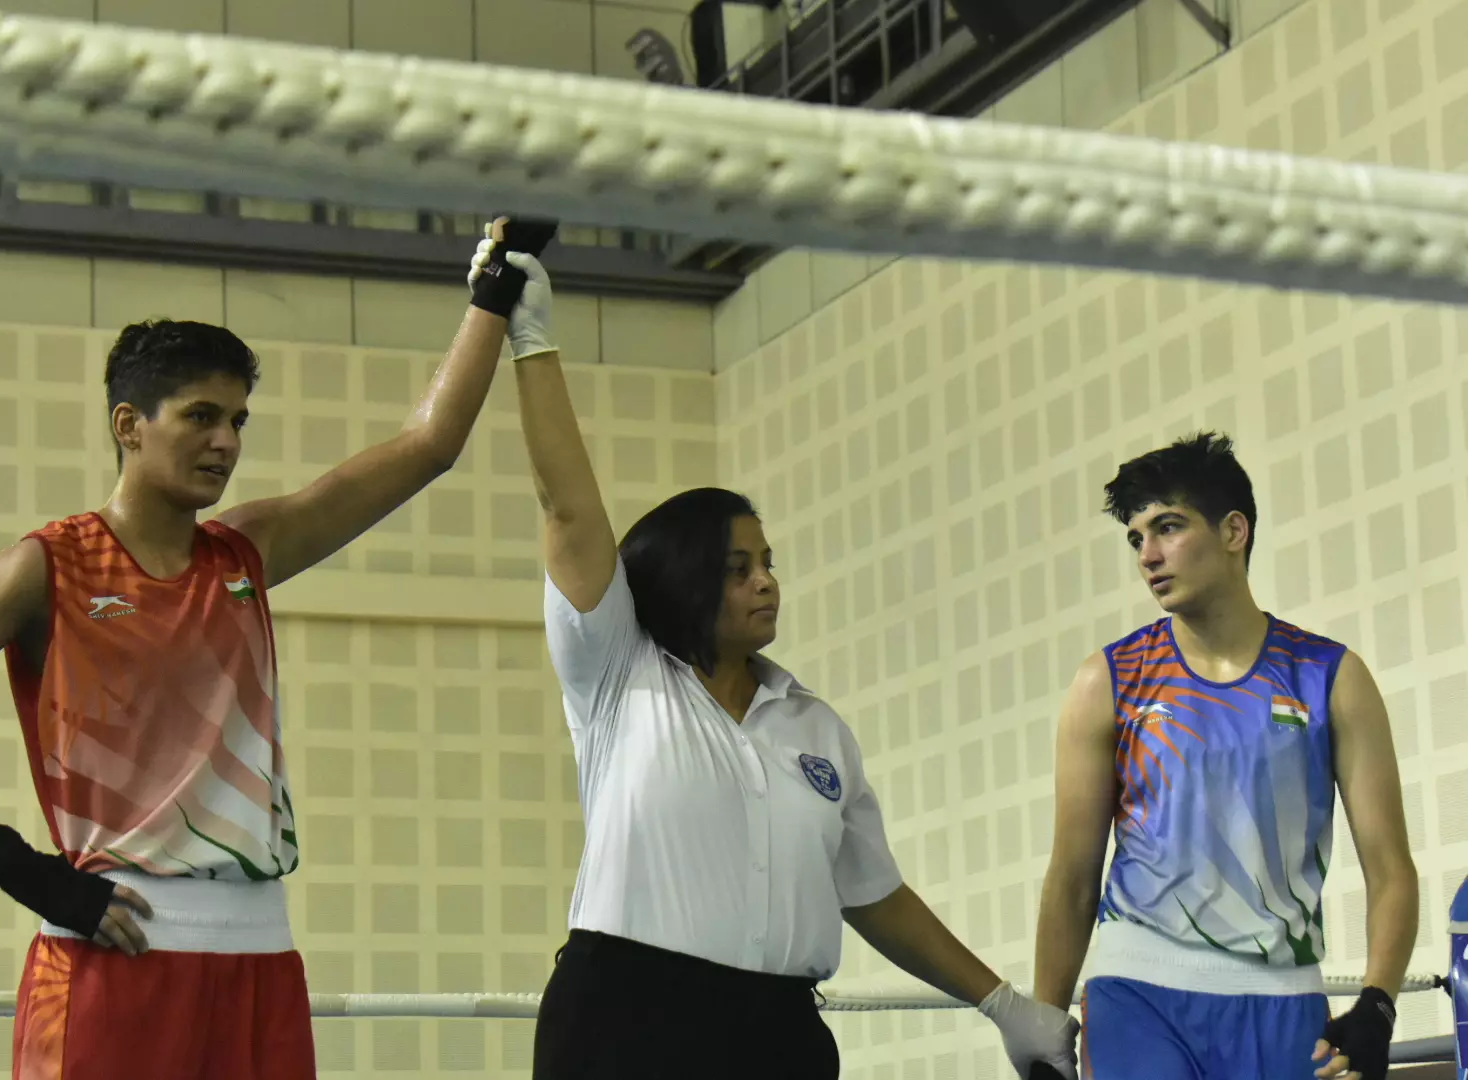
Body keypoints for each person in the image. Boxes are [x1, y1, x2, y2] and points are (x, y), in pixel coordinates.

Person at [0, 220, 552, 1080]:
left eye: (239, 420)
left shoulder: (246, 554)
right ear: (129, 425)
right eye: (202, 416)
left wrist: (492, 296)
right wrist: (21, 869)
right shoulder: (45, 568)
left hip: (259, 961)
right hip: (111, 957)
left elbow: (427, 447)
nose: (227, 441)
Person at [467, 228, 1080, 1080]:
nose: (767, 583)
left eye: (769, 564)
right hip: (625, 1018)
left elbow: (875, 895)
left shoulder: (816, 729)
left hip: (778, 1032)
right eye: (738, 568)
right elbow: (568, 508)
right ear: (685, 579)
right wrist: (529, 338)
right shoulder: (619, 672)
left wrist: (1005, 1005)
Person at [1032, 432, 1419, 1080]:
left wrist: (1378, 1005)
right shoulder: (1107, 683)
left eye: (1168, 527)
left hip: (1285, 1003)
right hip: (1139, 994)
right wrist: (1043, 1023)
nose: (1148, 555)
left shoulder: (1331, 677)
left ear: (1234, 530)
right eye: (1135, 538)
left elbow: (1391, 871)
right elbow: (1072, 877)